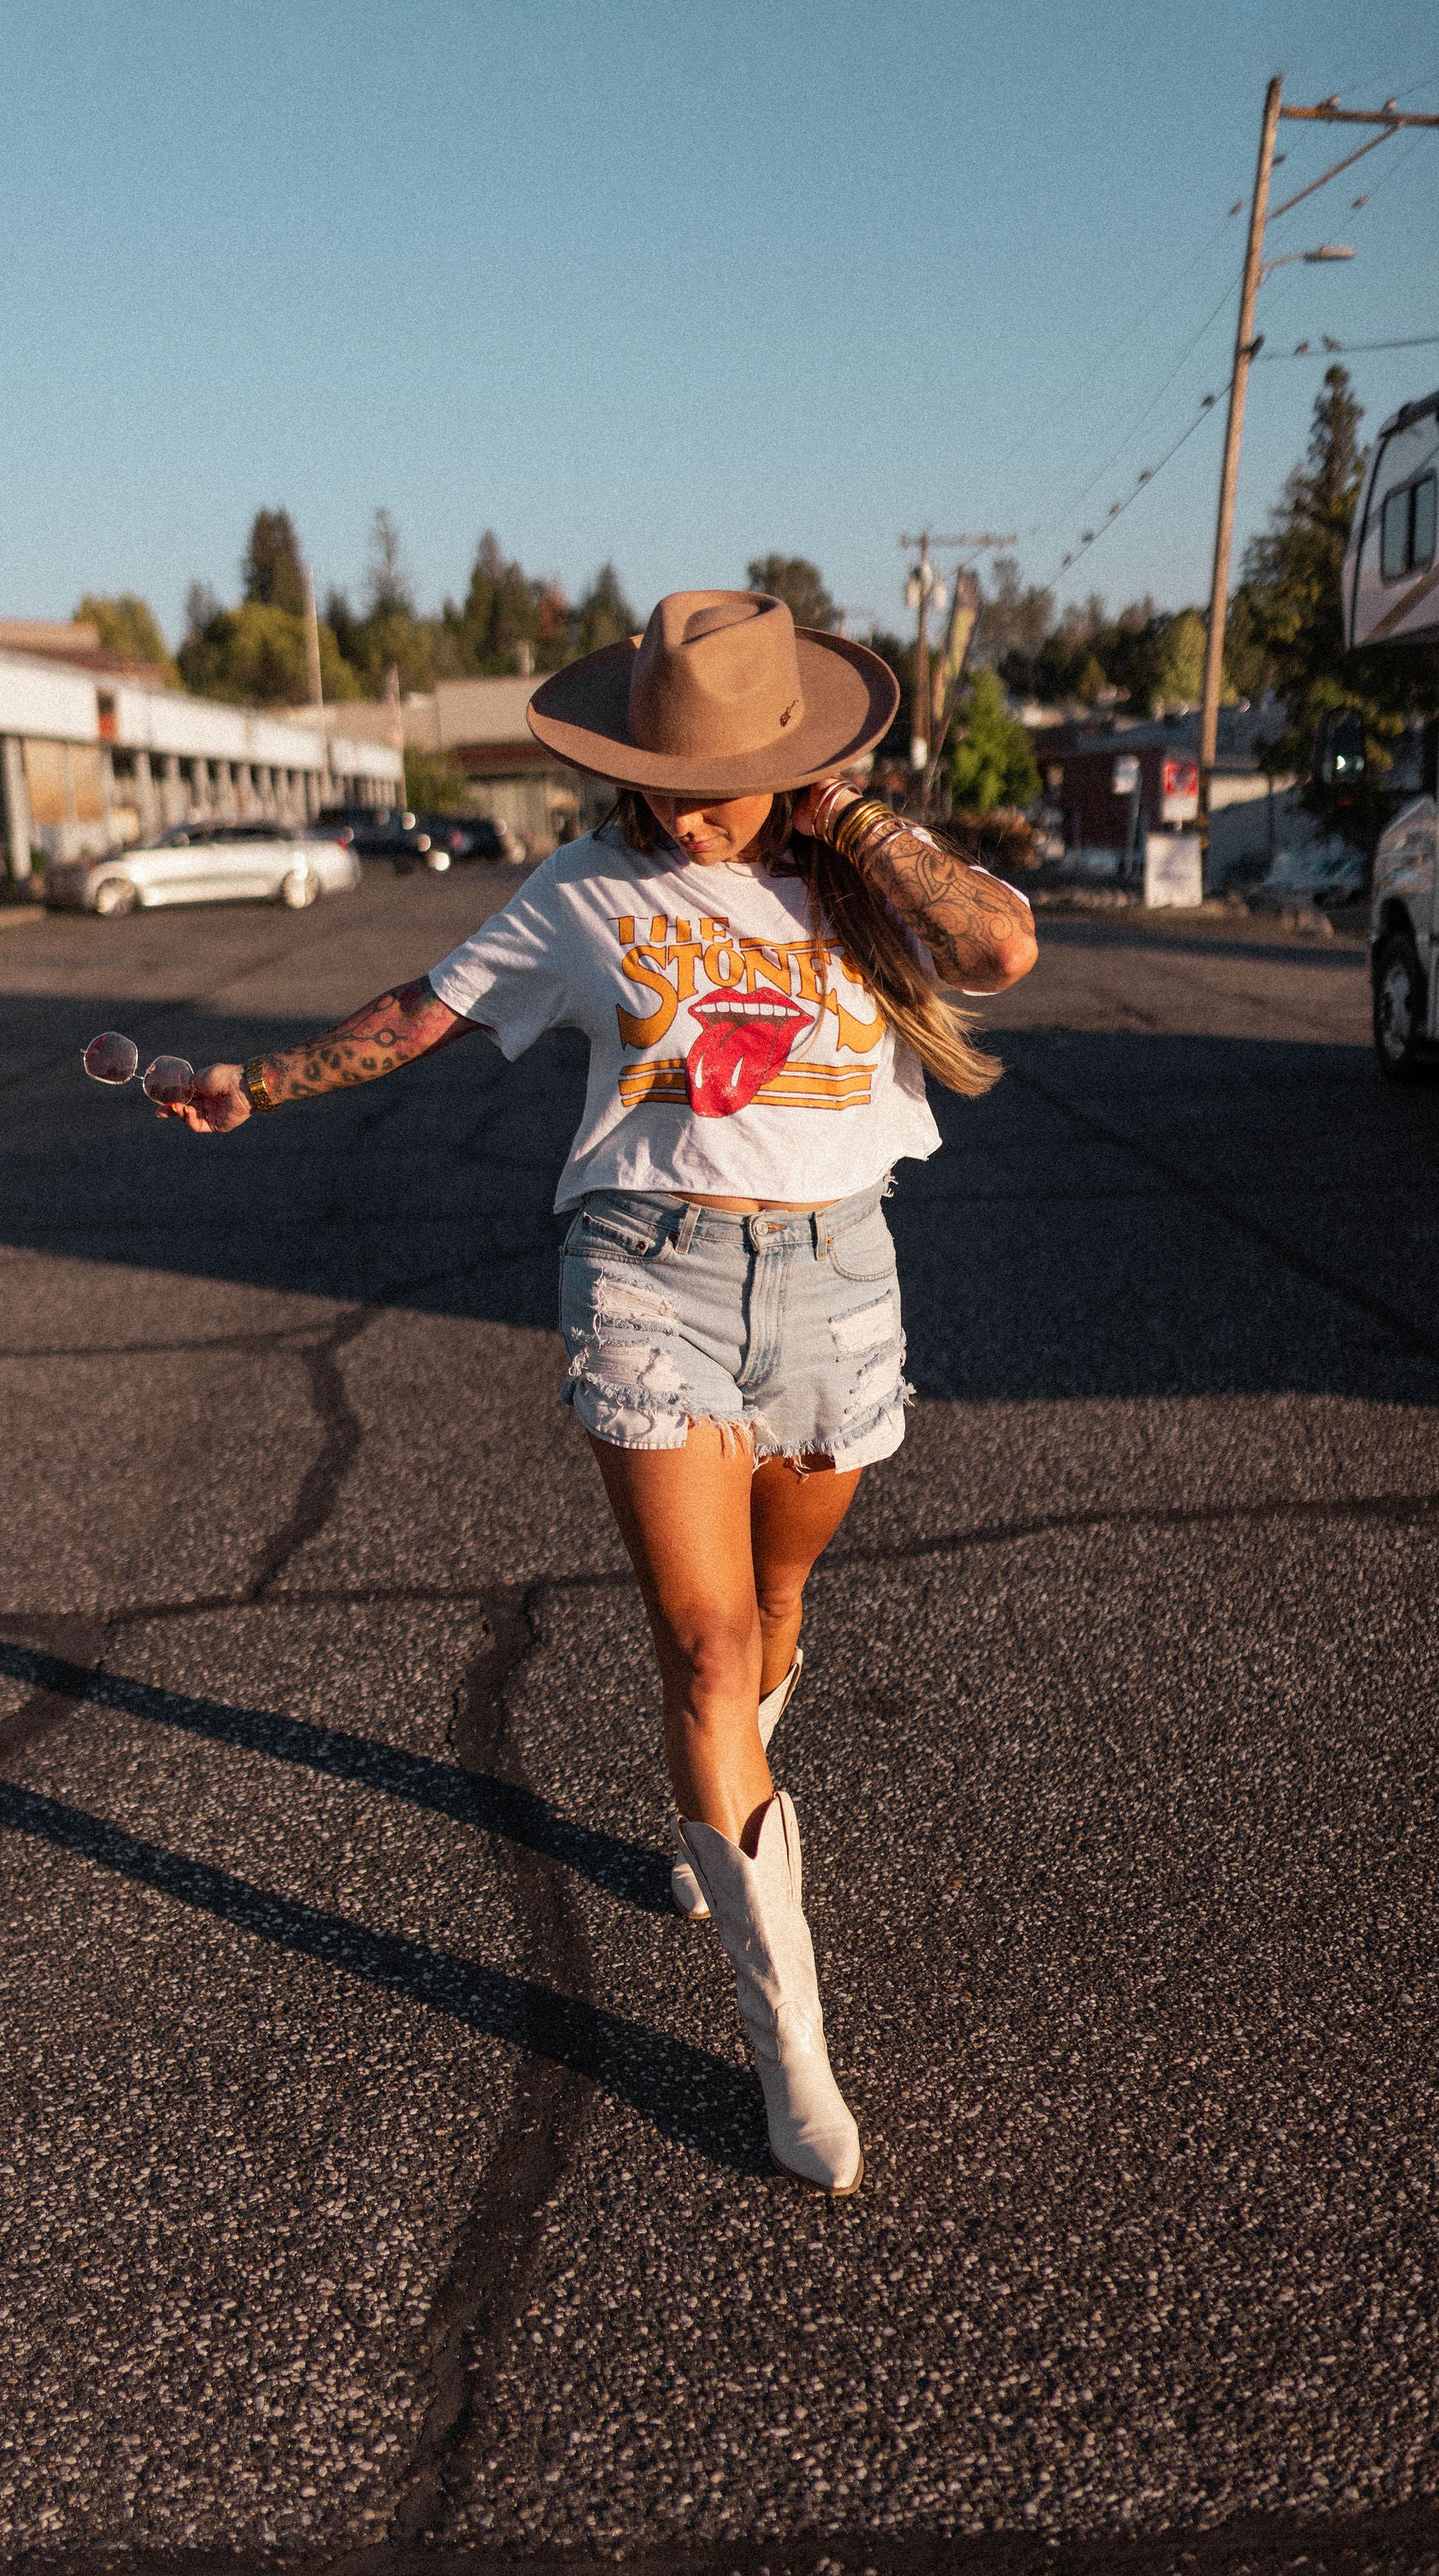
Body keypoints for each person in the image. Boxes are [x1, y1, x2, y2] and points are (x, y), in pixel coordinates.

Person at [163, 590, 1036, 2194]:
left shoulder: (867, 879)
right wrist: (258, 1083)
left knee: (776, 1610)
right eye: (661, 779)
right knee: (705, 1646)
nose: (686, 813)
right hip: (648, 1274)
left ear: (792, 760)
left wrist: (842, 818)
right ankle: (791, 2049)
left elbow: (1000, 948)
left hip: (839, 1281)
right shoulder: (583, 890)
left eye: (720, 783)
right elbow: (422, 1012)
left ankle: (722, 1800)